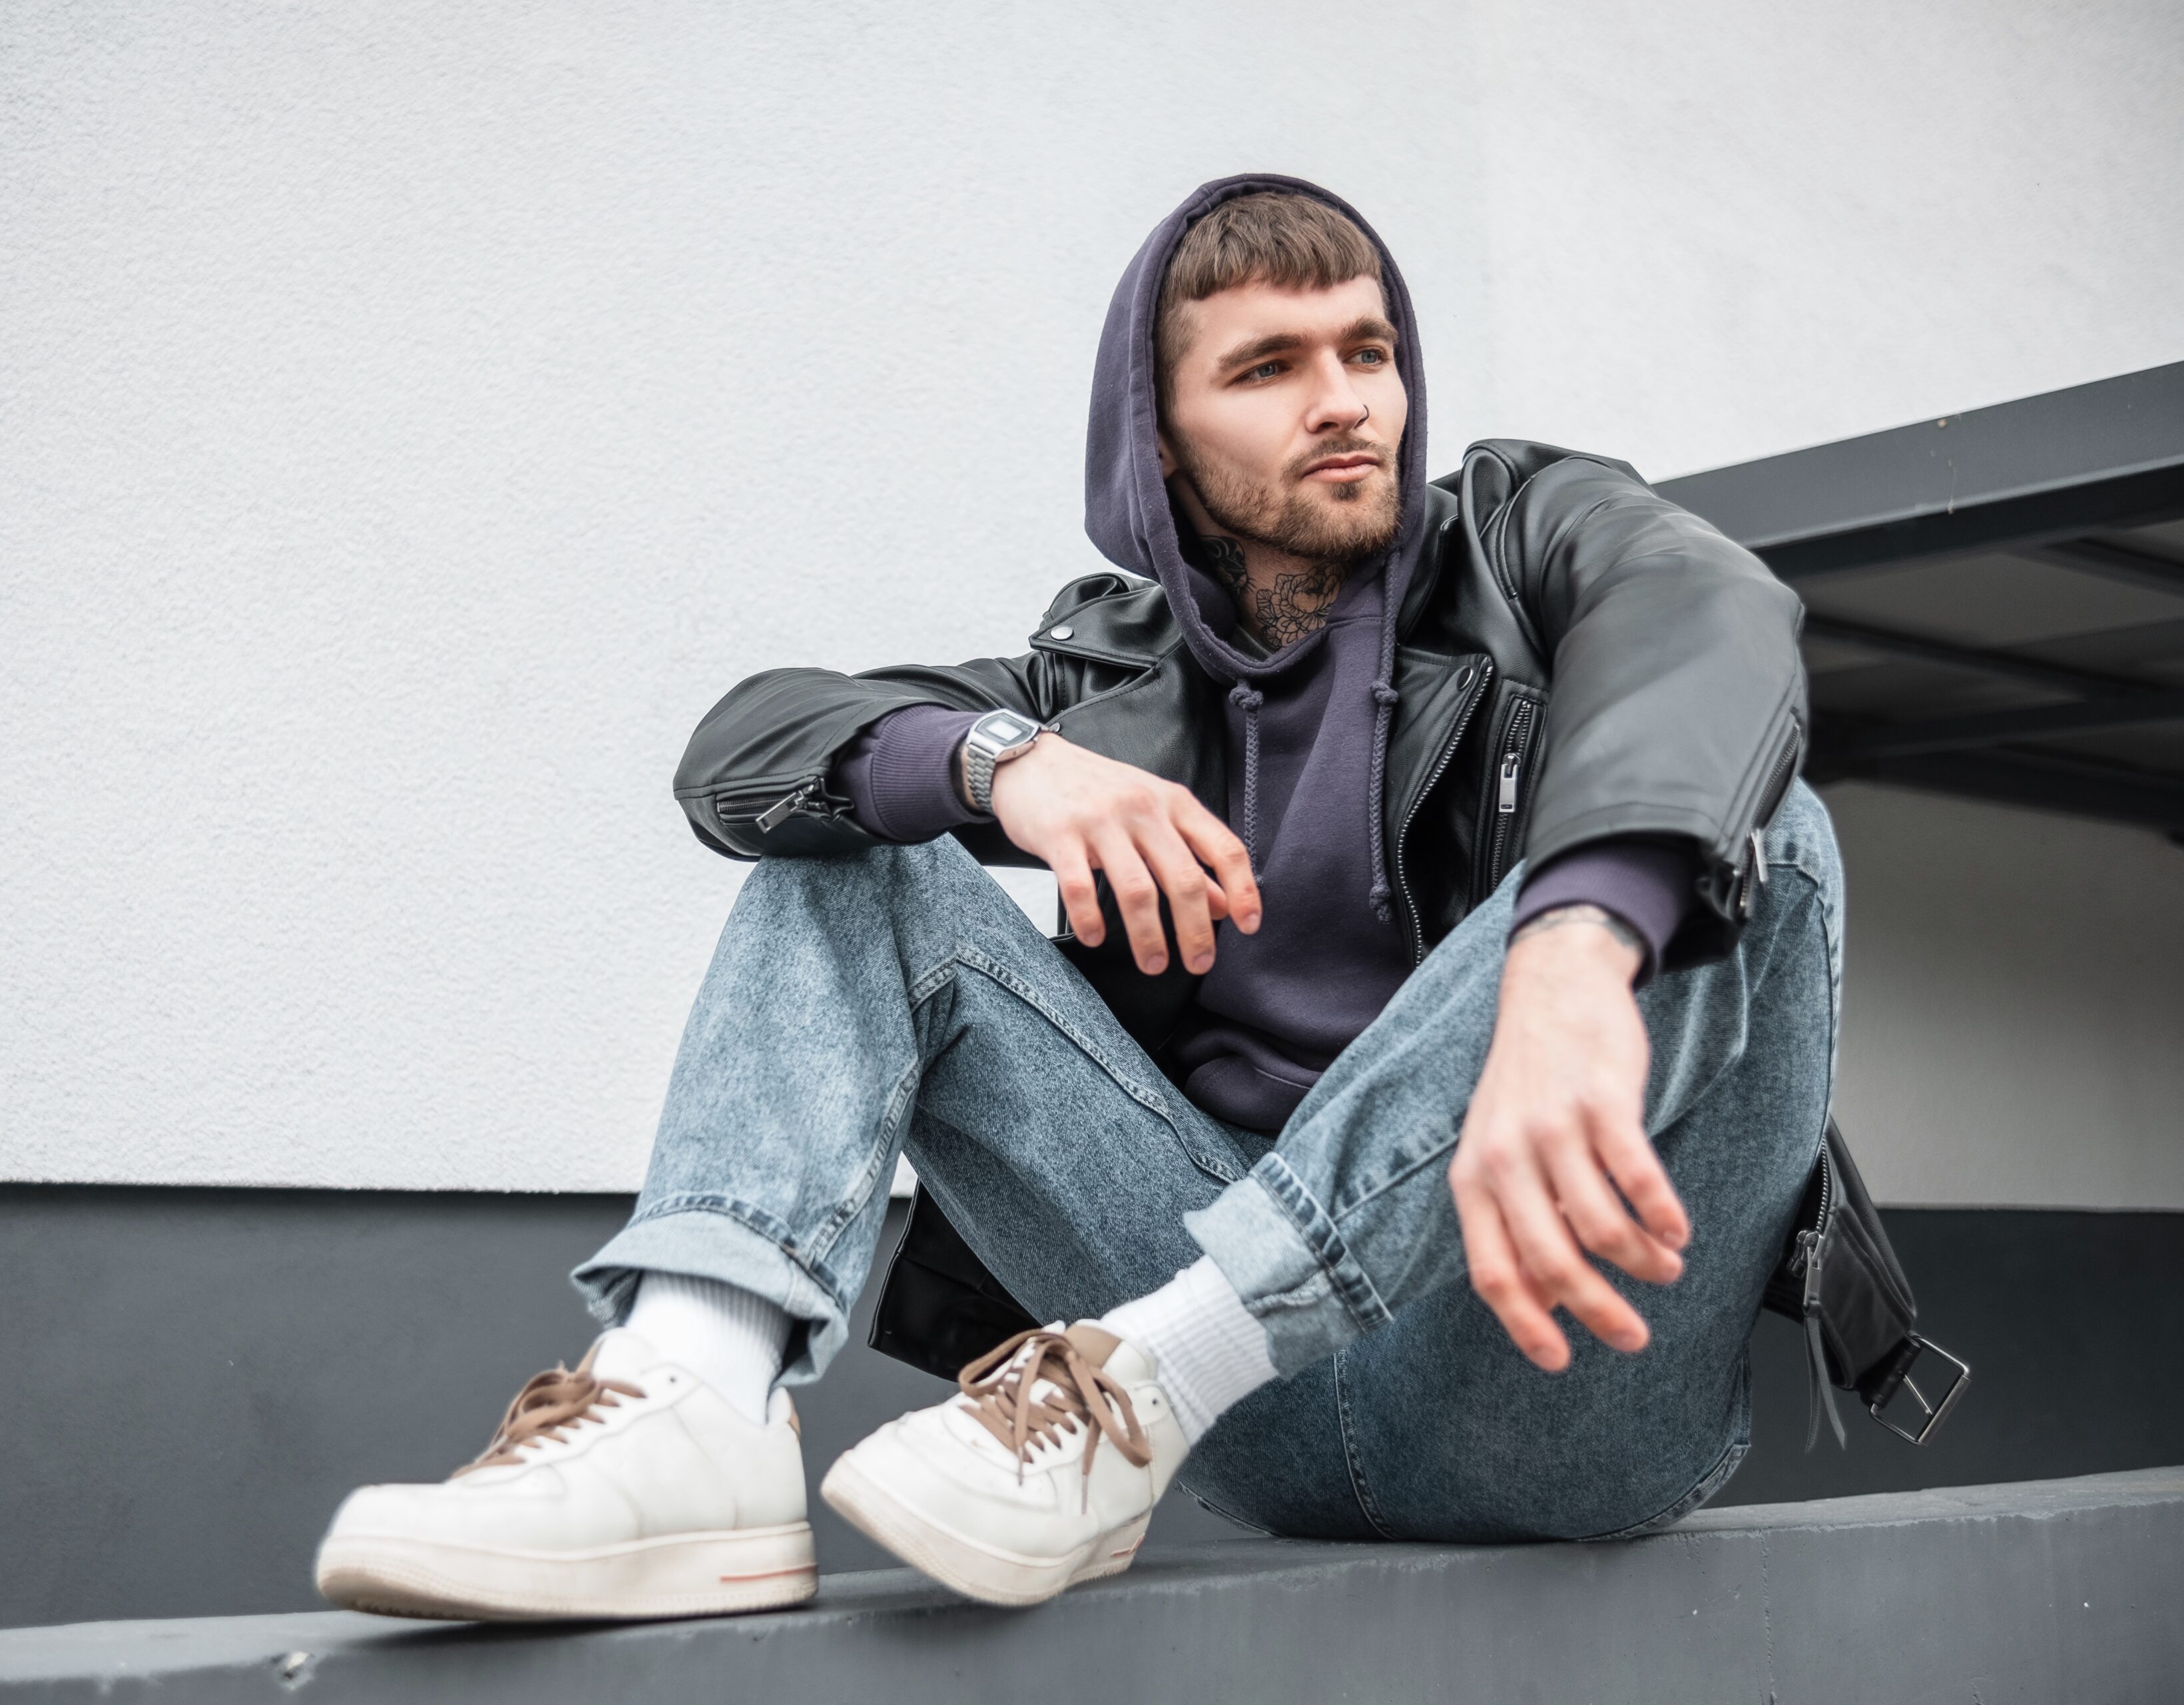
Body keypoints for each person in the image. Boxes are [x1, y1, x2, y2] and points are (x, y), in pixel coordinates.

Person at [312, 173, 1835, 1620]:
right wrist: (1004, 763)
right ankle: (691, 1403)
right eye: (1270, 365)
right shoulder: (1099, 675)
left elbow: (1703, 610)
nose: (1347, 399)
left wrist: (1576, 947)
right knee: (862, 858)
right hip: (1218, 1414)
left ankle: (1175, 1354)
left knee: (1761, 831)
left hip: (1546, 1378)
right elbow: (742, 748)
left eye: (1368, 349)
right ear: (1158, 440)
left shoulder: (1522, 532)